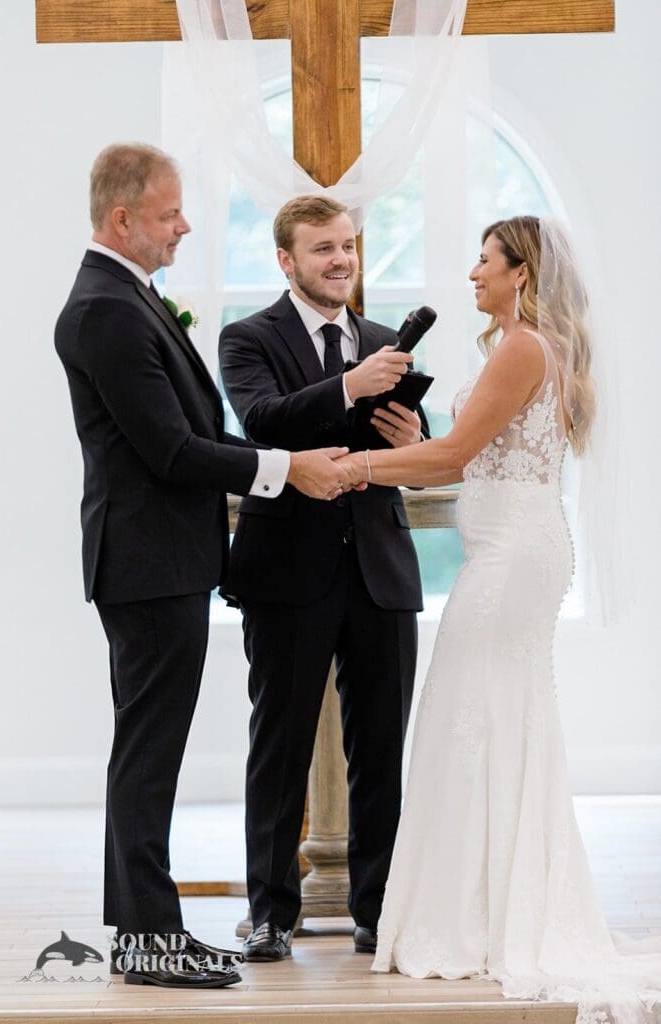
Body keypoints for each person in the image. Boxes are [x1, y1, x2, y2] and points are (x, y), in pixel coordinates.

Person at [336, 216, 661, 1023]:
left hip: (511, 560)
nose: (470, 274)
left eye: (482, 261)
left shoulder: (521, 346)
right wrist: (416, 442)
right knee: (494, 718)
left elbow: (449, 464)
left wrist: (351, 468)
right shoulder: (521, 347)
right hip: (518, 549)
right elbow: (469, 452)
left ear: (520, 272)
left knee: (465, 718)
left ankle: (473, 918)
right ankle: (487, 906)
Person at [55, 145, 353, 989]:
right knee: (147, 757)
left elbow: (196, 435)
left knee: (149, 753)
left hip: (165, 562)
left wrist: (278, 456)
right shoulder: (106, 309)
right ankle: (150, 943)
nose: (184, 225)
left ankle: (151, 935)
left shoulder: (129, 298)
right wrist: (284, 467)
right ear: (122, 220)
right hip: (146, 564)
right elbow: (169, 450)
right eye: (169, 213)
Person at [219, 195, 428, 962]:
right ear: (285, 260)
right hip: (286, 573)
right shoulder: (247, 338)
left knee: (381, 747)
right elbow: (262, 421)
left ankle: (376, 909)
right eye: (321, 249)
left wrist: (411, 432)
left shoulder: (382, 342)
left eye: (346, 245)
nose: (341, 260)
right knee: (278, 748)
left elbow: (407, 455)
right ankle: (271, 913)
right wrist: (349, 386)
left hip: (380, 570)